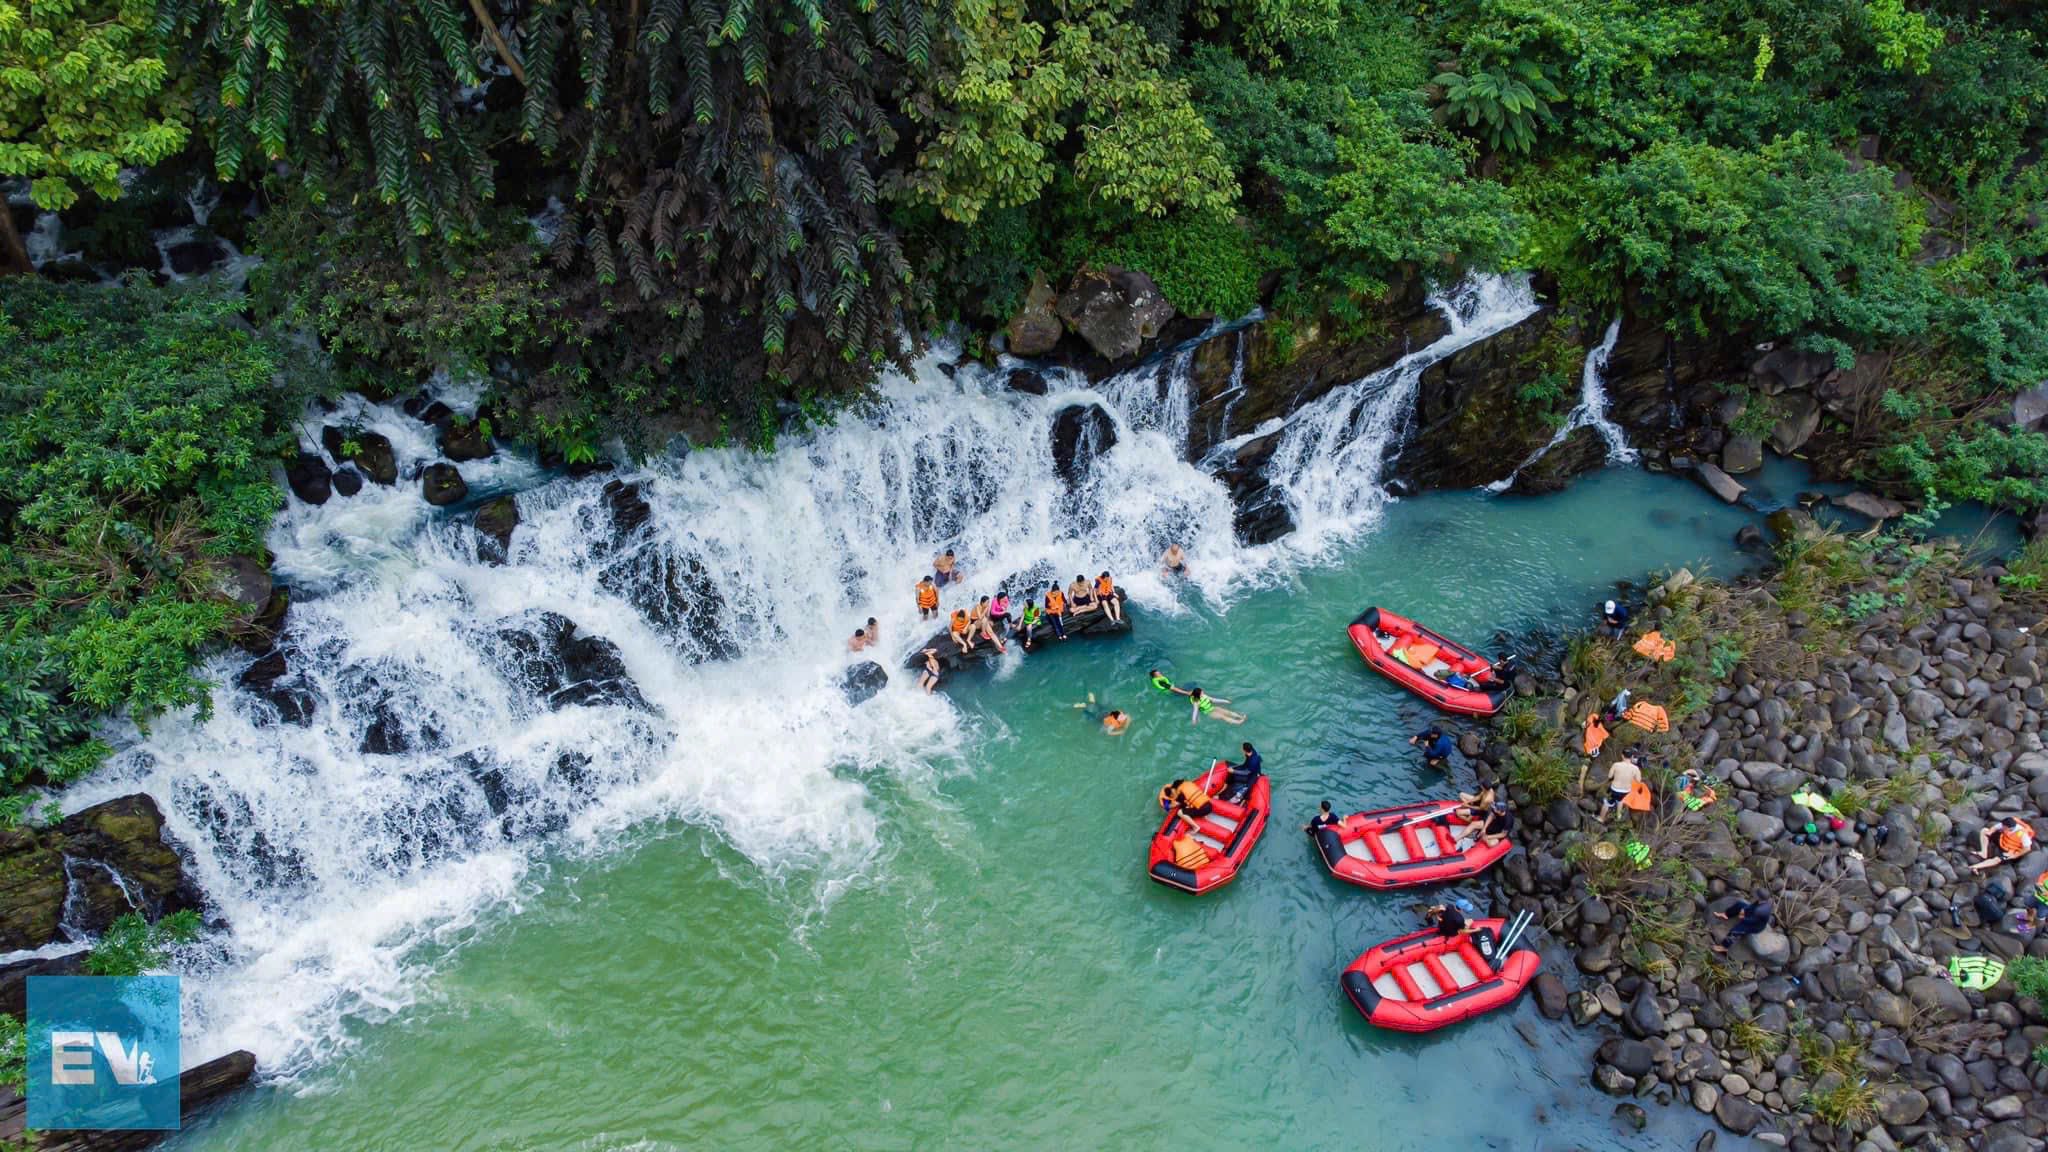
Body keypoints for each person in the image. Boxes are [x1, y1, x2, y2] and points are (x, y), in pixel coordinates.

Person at [1972, 816, 2038, 872]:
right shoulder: (2004, 824)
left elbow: (2027, 848)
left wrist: (2016, 855)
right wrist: (1990, 831)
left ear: (2009, 828)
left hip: (2011, 850)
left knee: (1997, 859)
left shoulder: (2022, 834)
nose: (2002, 827)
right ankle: (1984, 852)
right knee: (1984, 830)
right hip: (2002, 840)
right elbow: (1995, 827)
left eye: (2004, 827)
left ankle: (1975, 866)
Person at [1600, 757, 1643, 822]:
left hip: (1614, 789)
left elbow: (1609, 776)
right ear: (1631, 757)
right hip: (1626, 791)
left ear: (1622, 756)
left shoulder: (1616, 764)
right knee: (1620, 801)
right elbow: (1638, 781)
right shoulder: (1635, 768)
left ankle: (1601, 818)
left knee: (1606, 803)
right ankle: (1618, 816)